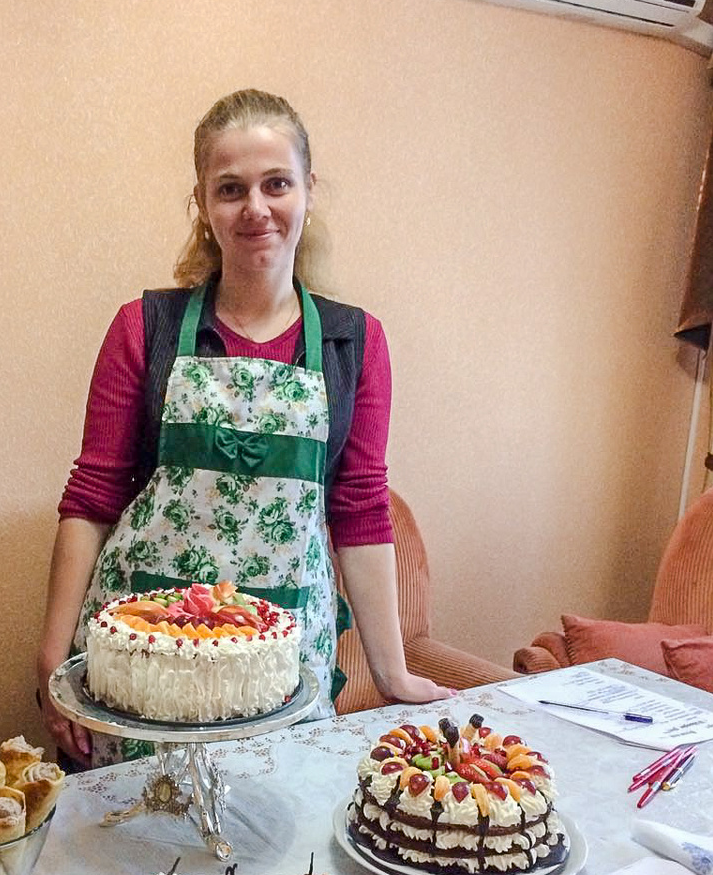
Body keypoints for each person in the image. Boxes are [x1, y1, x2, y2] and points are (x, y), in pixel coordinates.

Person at [38, 88, 452, 767]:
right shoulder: (145, 328)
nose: (255, 208)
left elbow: (359, 509)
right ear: (203, 205)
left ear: (308, 190)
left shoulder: (355, 343)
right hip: (145, 667)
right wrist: (52, 658)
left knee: (274, 825)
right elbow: (92, 498)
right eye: (231, 189)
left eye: (276, 184)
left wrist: (392, 672)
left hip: (283, 673)